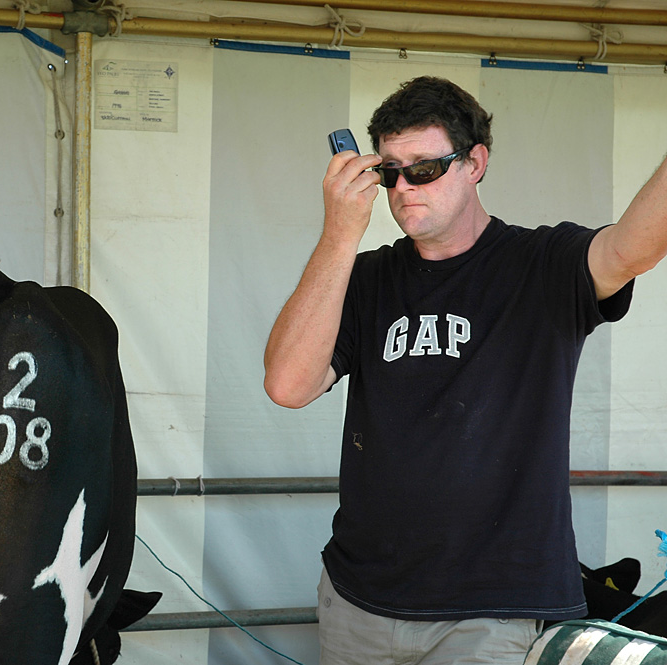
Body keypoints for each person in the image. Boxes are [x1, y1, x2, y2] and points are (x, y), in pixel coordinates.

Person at [263, 76, 667, 665]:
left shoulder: (541, 263)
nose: (403, 188)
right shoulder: (366, 276)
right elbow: (287, 385)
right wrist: (340, 233)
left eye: (424, 168)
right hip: (360, 600)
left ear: (475, 163)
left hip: (494, 610)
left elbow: (634, 247)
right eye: (389, 172)